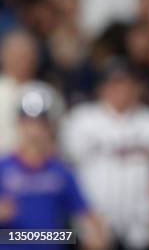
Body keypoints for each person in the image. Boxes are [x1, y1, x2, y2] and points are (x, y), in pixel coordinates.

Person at [61, 60, 149, 250]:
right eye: (113, 82)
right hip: (94, 228)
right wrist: (81, 215)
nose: (120, 89)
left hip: (143, 228)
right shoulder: (81, 120)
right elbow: (65, 175)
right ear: (102, 87)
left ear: (137, 87)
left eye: (126, 82)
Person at [0, 85, 108, 250]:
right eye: (28, 123)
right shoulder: (3, 168)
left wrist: (89, 235)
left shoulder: (61, 172)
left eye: (40, 124)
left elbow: (87, 216)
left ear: (49, 127)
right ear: (19, 125)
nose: (34, 131)